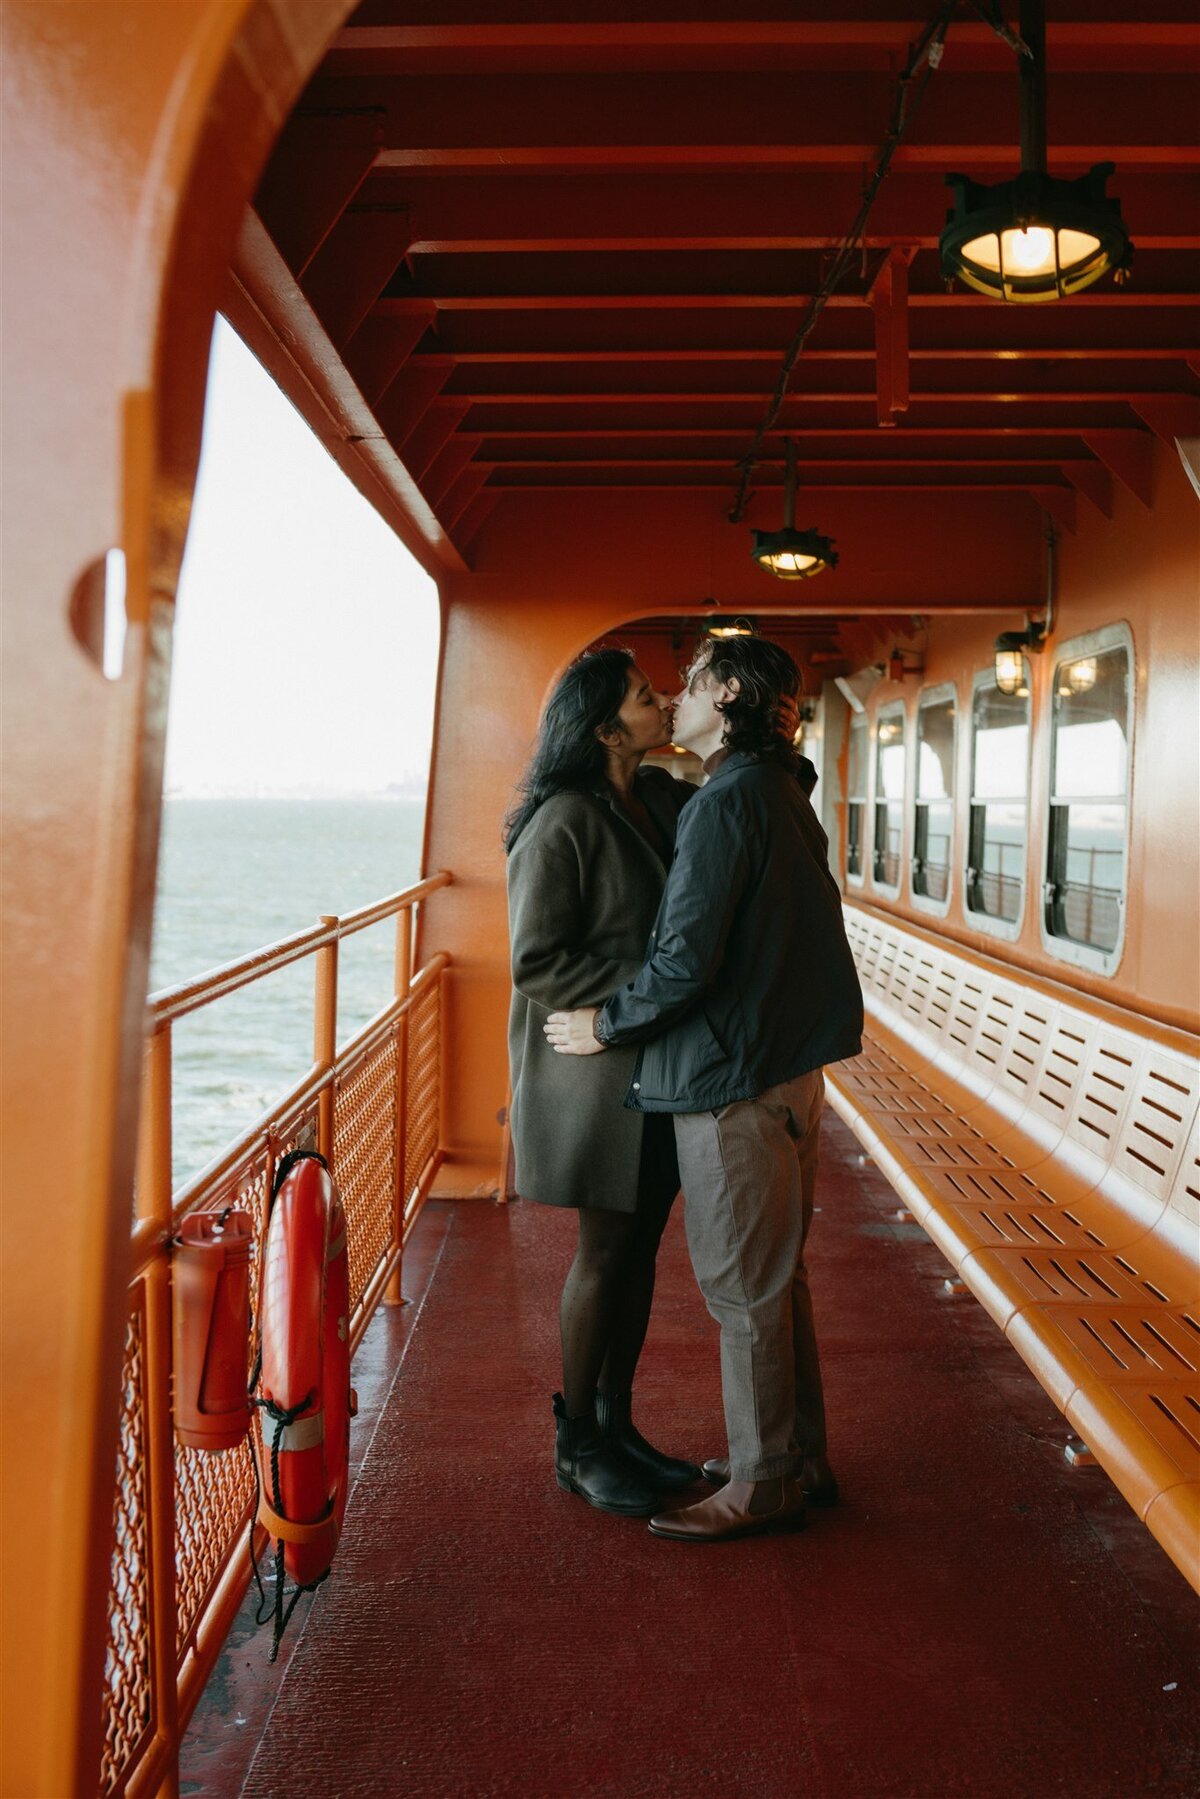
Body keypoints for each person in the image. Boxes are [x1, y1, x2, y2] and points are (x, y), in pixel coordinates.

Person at [544, 635, 864, 1542]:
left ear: (727, 693)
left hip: (731, 1078)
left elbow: (684, 958)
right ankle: (798, 1457)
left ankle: (762, 1485)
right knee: (779, 1278)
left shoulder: (727, 801)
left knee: (742, 1292)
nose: (677, 697)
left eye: (687, 683)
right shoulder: (778, 788)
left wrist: (603, 1024)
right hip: (789, 1070)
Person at [504, 647, 705, 1518]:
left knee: (639, 1249)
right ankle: (578, 1444)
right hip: (592, 1070)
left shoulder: (660, 797)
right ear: (603, 727)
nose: (661, 700)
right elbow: (537, 959)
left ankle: (618, 1426)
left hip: (654, 1063)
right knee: (604, 1250)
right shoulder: (563, 820)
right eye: (641, 695)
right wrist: (655, 978)